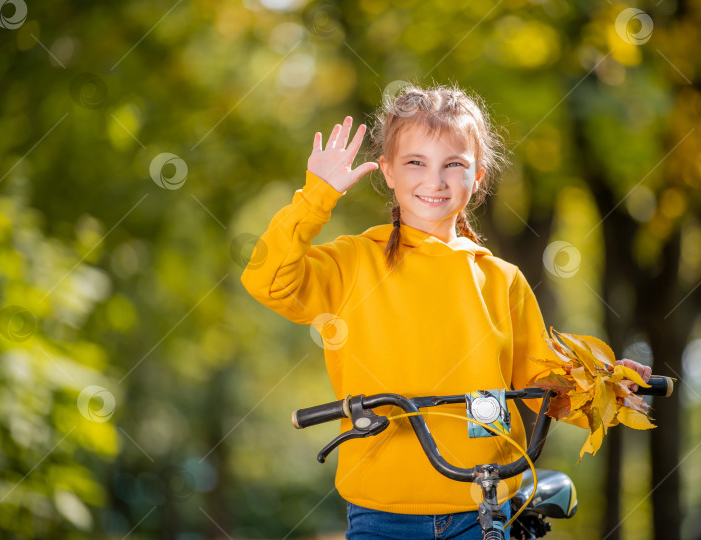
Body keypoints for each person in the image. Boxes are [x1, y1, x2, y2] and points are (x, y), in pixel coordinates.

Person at [241, 83, 651, 539]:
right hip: (382, 512)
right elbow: (269, 279)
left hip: (483, 504)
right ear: (389, 172)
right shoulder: (355, 262)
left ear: (477, 178)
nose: (434, 181)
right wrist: (315, 197)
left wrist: (605, 384)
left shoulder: (501, 279)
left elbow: (542, 379)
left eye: (453, 165)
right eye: (416, 162)